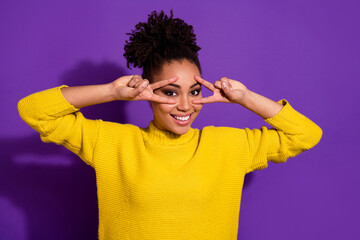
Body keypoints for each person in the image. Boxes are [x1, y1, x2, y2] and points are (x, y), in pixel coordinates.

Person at [18, 10, 322, 240]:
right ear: (148, 91)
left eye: (194, 92)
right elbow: (34, 111)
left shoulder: (228, 146)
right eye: (170, 93)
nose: (185, 106)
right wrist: (111, 91)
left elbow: (306, 134)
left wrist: (245, 98)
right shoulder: (112, 143)